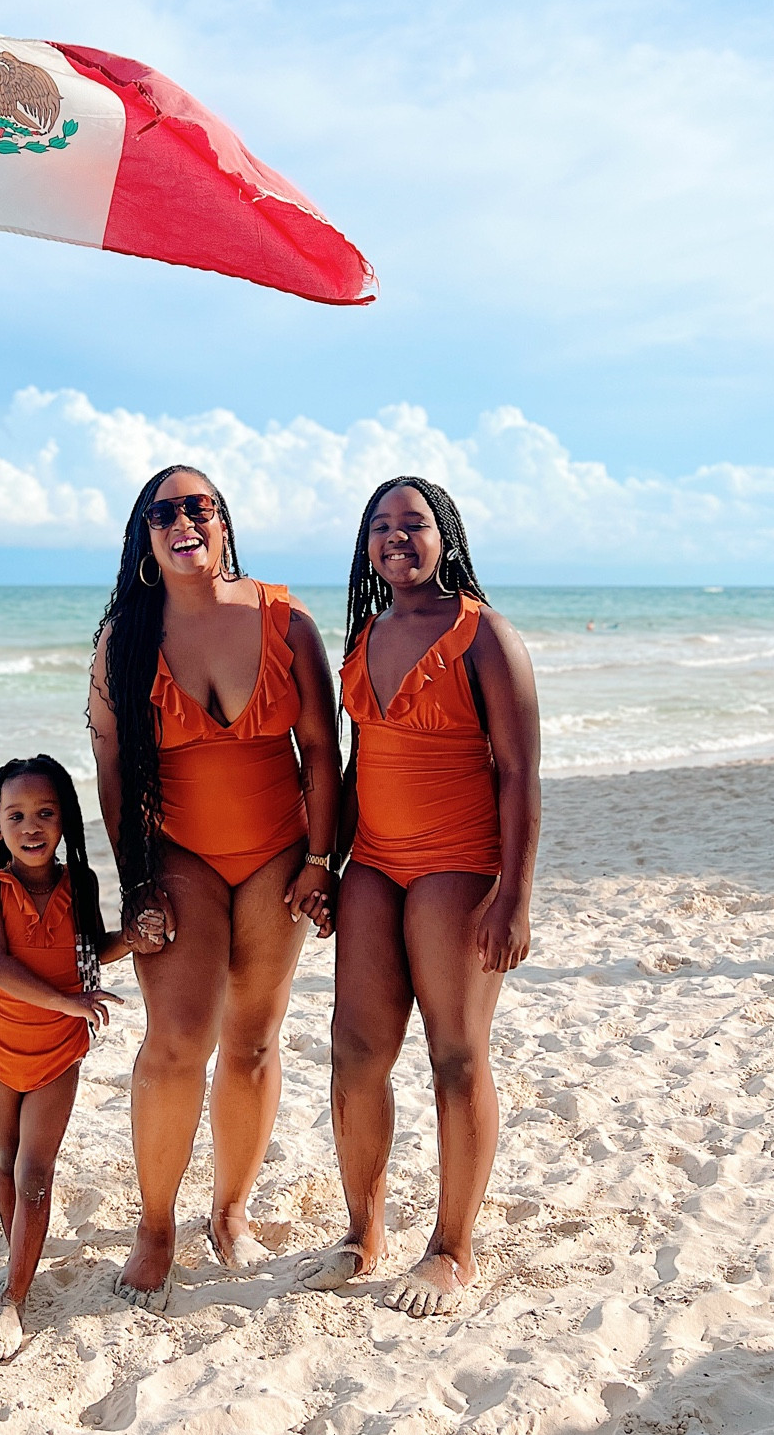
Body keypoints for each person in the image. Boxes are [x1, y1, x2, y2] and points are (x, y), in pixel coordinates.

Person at [88, 466, 340, 1310]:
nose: (182, 522)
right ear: (145, 539)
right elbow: (112, 770)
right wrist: (136, 883)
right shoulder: (124, 639)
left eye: (199, 507)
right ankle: (156, 1223)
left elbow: (320, 750)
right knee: (177, 1041)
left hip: (278, 856)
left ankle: (229, 1211)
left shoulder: (286, 620)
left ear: (223, 524)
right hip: (179, 857)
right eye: (163, 514)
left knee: (256, 1040)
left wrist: (319, 861)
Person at [300, 477, 540, 1317]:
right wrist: (328, 862)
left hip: (459, 864)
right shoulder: (364, 635)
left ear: (447, 537)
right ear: (365, 545)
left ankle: (452, 1248)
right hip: (373, 862)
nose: (395, 538)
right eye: (380, 527)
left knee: (455, 1056)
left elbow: (519, 774)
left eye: (413, 524)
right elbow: (364, 763)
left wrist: (514, 894)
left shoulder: (486, 636)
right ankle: (363, 1233)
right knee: (356, 1052)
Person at [0, 754, 144, 1360]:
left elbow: (91, 950)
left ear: (66, 819)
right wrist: (68, 1001)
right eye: (15, 815)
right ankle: (19, 1254)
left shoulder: (80, 884)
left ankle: (13, 1300)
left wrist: (133, 939)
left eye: (46, 812)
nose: (31, 825)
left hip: (57, 1052)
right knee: (5, 1158)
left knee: (35, 1175)